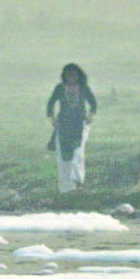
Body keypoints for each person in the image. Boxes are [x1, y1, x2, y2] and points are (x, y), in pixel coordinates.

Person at [45, 63, 97, 193]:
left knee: (78, 152)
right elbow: (51, 103)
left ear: (78, 76)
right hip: (63, 125)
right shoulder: (60, 88)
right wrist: (53, 119)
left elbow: (93, 103)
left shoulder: (83, 88)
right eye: (69, 75)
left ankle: (77, 182)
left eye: (74, 75)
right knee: (63, 157)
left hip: (79, 124)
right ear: (65, 76)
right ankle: (65, 189)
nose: (71, 78)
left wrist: (90, 115)